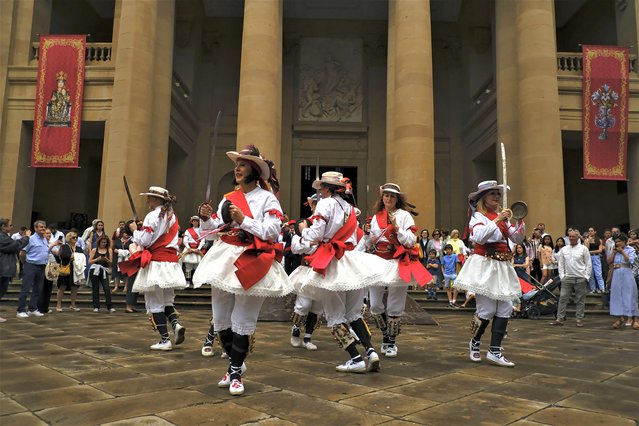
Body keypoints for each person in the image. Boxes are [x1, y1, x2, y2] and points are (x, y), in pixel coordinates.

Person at [193, 145, 293, 396]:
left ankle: (235, 372)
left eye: (243, 164)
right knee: (220, 318)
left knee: (242, 319)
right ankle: (235, 364)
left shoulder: (267, 199)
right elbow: (214, 228)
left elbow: (273, 231)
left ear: (255, 170)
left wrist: (244, 219)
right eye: (237, 164)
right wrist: (206, 217)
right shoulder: (228, 197)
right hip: (224, 256)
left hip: (252, 257)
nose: (237, 168)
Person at [290, 171, 393, 374]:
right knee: (354, 313)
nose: (319, 191)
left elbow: (317, 234)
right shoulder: (351, 209)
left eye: (321, 188)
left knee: (335, 315)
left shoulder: (325, 204)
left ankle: (356, 358)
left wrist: (300, 235)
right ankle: (371, 351)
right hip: (352, 261)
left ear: (327, 188)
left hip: (332, 262)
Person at [455, 180, 526, 367]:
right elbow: (479, 237)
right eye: (492, 193)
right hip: (485, 264)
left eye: (498, 194)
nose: (496, 197)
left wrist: (519, 220)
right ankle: (475, 342)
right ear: (483, 198)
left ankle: (495, 350)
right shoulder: (478, 216)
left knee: (505, 307)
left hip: (502, 266)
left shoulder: (503, 218)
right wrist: (497, 220)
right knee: (487, 310)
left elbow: (517, 238)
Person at [365, 183, 432, 358]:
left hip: (397, 261)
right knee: (375, 305)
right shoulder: (376, 217)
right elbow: (370, 243)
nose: (388, 198)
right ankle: (386, 333)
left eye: (392, 196)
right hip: (378, 261)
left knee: (395, 303)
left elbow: (410, 241)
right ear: (382, 198)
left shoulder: (404, 216)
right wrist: (367, 234)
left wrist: (397, 228)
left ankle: (390, 341)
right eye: (386, 195)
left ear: (397, 199)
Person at [120, 186, 187, 351]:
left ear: (157, 200)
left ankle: (165, 340)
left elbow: (144, 241)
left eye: (150, 198)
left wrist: (135, 231)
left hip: (157, 262)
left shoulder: (152, 215)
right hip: (171, 263)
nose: (147, 201)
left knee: (155, 302)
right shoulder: (172, 216)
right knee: (166, 300)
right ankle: (176, 324)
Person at [289, 193, 322, 351]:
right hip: (307, 269)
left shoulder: (328, 225)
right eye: (315, 203)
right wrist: (310, 241)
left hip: (322, 270)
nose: (317, 206)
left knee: (317, 306)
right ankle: (295, 332)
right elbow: (296, 247)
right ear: (312, 205)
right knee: (304, 304)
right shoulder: (304, 223)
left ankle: (308, 337)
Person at [551, 230, 591, 327]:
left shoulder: (584, 249)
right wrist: (562, 276)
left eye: (573, 236)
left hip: (580, 277)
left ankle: (579, 319)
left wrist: (586, 277)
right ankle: (559, 318)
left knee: (580, 300)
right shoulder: (564, 249)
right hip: (567, 278)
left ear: (578, 237)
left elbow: (588, 263)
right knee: (563, 298)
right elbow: (561, 264)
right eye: (570, 237)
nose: (572, 238)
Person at [17, 220, 53, 318]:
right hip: (31, 265)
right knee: (26, 288)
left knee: (38, 289)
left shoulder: (45, 239)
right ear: (35, 228)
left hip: (42, 266)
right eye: (41, 227)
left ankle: (32, 308)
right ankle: (20, 310)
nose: (43, 228)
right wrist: (25, 263)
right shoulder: (31, 239)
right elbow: (22, 253)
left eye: (44, 227)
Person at [0, 219, 30, 321]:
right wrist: (26, 238)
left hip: (5, 268)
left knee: (2, 290)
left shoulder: (5, 236)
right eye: (10, 225)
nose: (12, 227)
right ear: (3, 227)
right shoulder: (1, 237)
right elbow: (15, 245)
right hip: (2, 268)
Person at [608, 234, 638, 329]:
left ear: (624, 241)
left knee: (630, 294)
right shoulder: (615, 250)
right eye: (616, 242)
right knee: (616, 295)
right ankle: (619, 317)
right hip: (616, 272)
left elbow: (630, 261)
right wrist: (614, 252)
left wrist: (622, 252)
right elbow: (609, 261)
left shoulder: (630, 249)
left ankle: (633, 318)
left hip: (627, 272)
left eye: (619, 241)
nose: (617, 243)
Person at [55, 232, 81, 312]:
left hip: (75, 270)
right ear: (69, 238)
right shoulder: (64, 247)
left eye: (76, 237)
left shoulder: (78, 248)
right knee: (62, 287)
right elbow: (62, 256)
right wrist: (71, 257)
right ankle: (58, 305)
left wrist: (76, 257)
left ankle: (73, 305)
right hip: (66, 268)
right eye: (73, 237)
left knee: (74, 287)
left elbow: (82, 256)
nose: (75, 239)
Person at [88, 235, 115, 313]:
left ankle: (110, 306)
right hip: (95, 269)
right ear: (99, 242)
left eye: (105, 243)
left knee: (106, 288)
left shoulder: (109, 250)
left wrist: (106, 259)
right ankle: (96, 306)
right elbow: (89, 261)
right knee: (95, 288)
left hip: (104, 270)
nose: (104, 244)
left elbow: (111, 263)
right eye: (102, 242)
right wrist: (97, 259)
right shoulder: (94, 250)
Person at [181, 216, 205, 287]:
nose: (195, 222)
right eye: (194, 221)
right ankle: (188, 281)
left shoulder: (201, 231)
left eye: (197, 221)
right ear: (192, 222)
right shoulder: (188, 230)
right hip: (189, 249)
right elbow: (185, 240)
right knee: (188, 267)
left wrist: (199, 248)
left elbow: (203, 240)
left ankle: (196, 281)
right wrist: (189, 248)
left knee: (198, 267)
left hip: (198, 249)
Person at [585, 227, 605, 293]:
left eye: (591, 231)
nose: (590, 232)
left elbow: (600, 250)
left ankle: (602, 288)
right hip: (589, 258)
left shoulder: (599, 240)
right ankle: (593, 289)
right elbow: (586, 249)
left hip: (596, 257)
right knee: (591, 274)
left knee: (598, 273)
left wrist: (590, 252)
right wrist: (588, 241)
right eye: (589, 231)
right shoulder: (586, 240)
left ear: (595, 232)